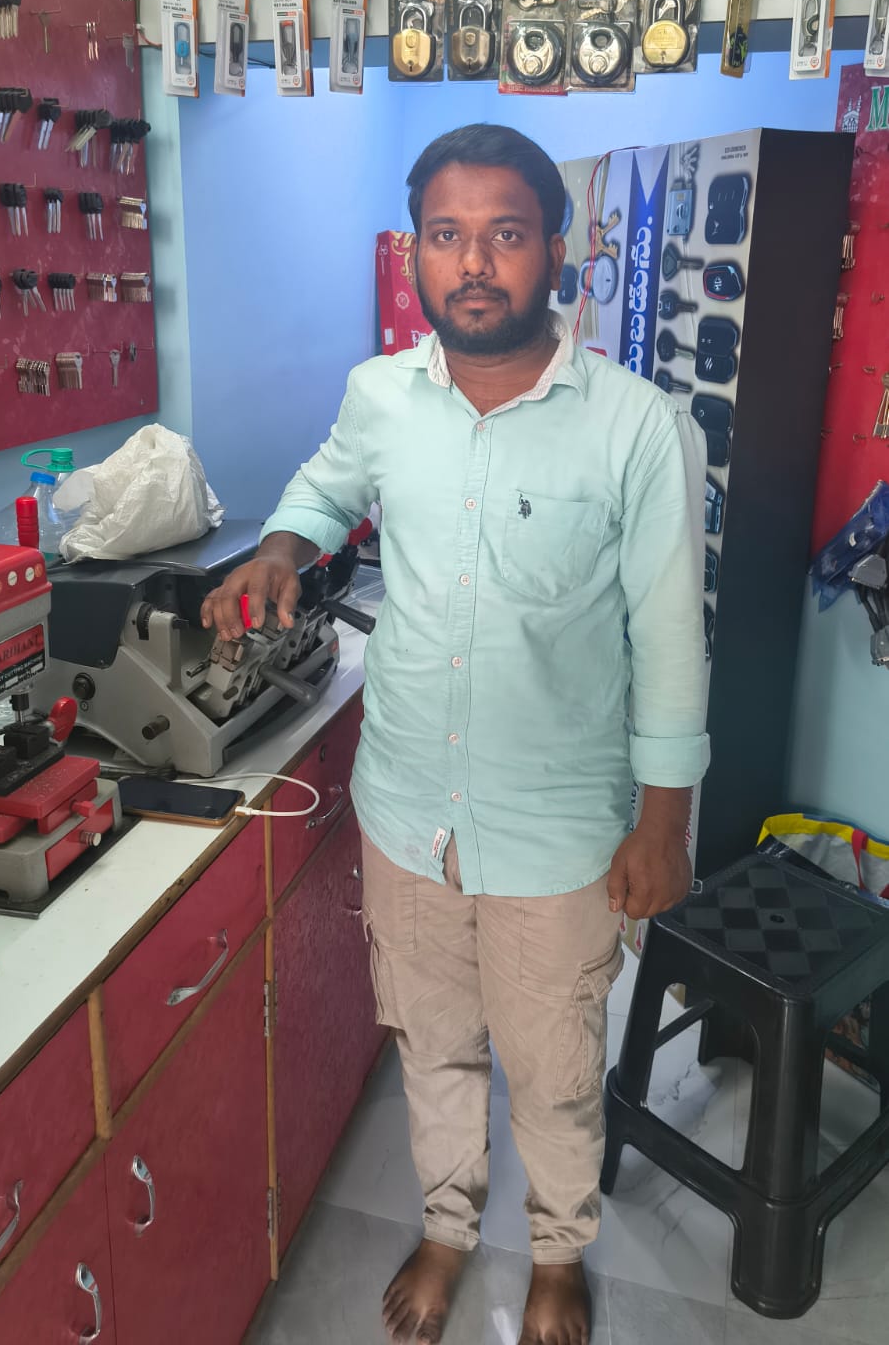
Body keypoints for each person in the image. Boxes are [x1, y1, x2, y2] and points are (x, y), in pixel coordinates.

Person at [202, 125, 709, 1345]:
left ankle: (557, 1252)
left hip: (559, 833)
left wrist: (664, 825)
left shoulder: (638, 426)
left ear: (558, 253)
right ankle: (446, 1223)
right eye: (447, 235)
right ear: (415, 252)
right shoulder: (380, 395)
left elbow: (669, 643)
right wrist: (282, 545)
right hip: (408, 813)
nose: (474, 262)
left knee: (555, 1068)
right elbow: (328, 485)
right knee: (431, 1046)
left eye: (505, 234)